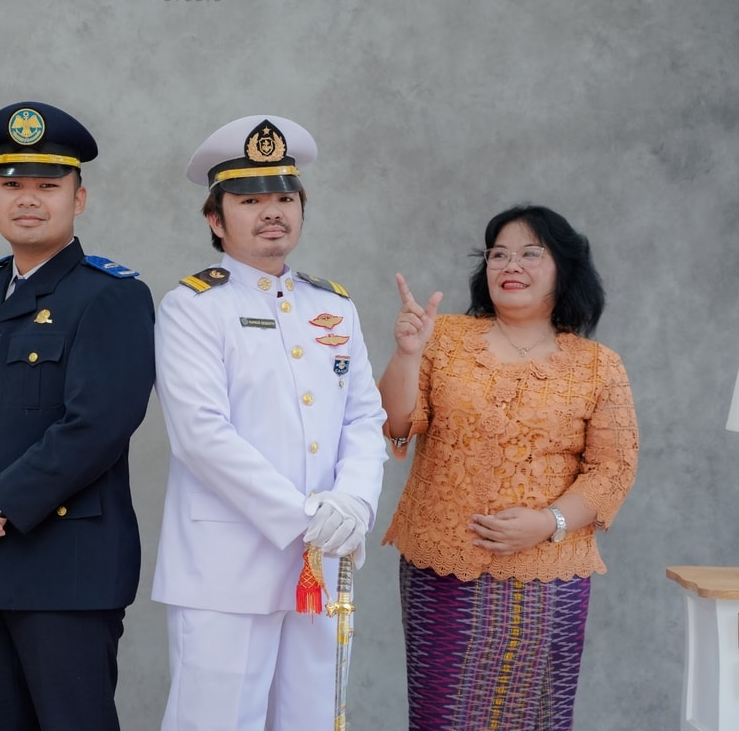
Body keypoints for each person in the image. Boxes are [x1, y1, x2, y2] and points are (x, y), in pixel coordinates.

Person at [0, 101, 155, 731]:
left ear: (80, 197)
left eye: (48, 186)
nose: (28, 200)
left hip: (68, 571)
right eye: (12, 185)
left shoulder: (111, 295)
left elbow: (96, 427)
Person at [151, 115, 387, 730]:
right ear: (215, 218)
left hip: (323, 561)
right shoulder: (192, 308)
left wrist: (356, 505)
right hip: (225, 566)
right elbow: (201, 435)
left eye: (284, 198)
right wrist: (310, 519)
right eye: (250, 200)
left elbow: (364, 416)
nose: (271, 212)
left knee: (309, 720)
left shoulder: (333, 305)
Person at [379, 204, 640, 730]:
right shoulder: (444, 340)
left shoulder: (597, 364)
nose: (509, 264)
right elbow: (395, 423)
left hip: (549, 576)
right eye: (497, 254)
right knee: (442, 716)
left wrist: (549, 524)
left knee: (536, 716)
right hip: (442, 566)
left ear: (564, 269)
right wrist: (408, 354)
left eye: (528, 253)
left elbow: (612, 469)